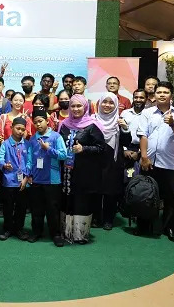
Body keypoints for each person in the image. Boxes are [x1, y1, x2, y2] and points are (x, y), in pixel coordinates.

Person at [138, 81, 174, 242]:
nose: (161, 95)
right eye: (158, 92)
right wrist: (144, 157)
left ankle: (169, 228)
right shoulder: (147, 113)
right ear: (154, 95)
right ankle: (144, 226)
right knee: (146, 196)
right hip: (149, 162)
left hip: (170, 164)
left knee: (171, 200)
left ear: (171, 95)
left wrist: (173, 124)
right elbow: (143, 135)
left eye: (165, 92)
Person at [57, 94, 105, 244]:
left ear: (85, 107)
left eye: (79, 106)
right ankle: (66, 232)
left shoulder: (92, 125)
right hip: (65, 171)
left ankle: (80, 235)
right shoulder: (63, 124)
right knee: (66, 198)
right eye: (73, 106)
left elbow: (101, 148)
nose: (76, 109)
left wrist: (83, 148)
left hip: (84, 171)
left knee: (82, 200)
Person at [26, 106, 67, 246]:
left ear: (47, 121)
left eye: (41, 121)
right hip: (36, 179)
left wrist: (48, 149)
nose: (38, 124)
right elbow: (30, 159)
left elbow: (63, 155)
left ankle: (56, 234)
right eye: (35, 122)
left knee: (53, 209)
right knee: (37, 209)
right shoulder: (32, 140)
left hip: (52, 180)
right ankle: (37, 232)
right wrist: (29, 174)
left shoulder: (56, 136)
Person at [94, 93, 132, 230]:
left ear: (116, 105)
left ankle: (108, 219)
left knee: (110, 191)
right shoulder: (93, 119)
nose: (107, 105)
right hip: (96, 160)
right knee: (96, 190)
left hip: (113, 161)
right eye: (104, 102)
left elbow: (126, 142)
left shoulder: (119, 121)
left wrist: (125, 129)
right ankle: (96, 218)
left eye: (111, 103)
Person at [0, 117, 29, 241]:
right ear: (11, 128)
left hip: (23, 182)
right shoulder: (5, 144)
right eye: (18, 128)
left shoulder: (27, 144)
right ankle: (7, 229)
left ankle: (19, 229)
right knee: (8, 207)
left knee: (21, 207)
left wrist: (26, 178)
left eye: (22, 129)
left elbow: (30, 162)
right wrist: (4, 164)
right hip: (9, 180)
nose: (20, 131)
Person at [120, 89, 147, 170]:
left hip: (142, 151)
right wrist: (124, 150)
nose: (138, 100)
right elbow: (120, 133)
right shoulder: (125, 113)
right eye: (136, 97)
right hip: (126, 150)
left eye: (141, 98)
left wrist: (139, 153)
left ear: (146, 99)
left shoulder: (149, 114)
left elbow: (150, 136)